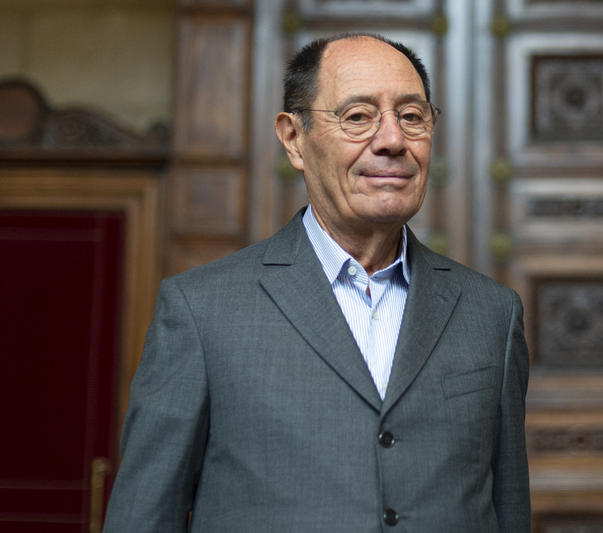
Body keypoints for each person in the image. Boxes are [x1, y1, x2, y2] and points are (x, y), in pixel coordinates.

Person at [103, 32, 530, 533]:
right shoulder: (202, 312)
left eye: (412, 117)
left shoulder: (491, 314)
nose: (393, 140)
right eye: (358, 116)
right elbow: (144, 517)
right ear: (293, 139)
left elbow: (508, 509)